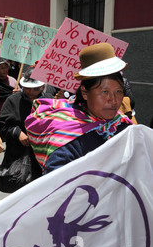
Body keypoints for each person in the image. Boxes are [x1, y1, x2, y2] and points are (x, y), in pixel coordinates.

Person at [25, 42, 133, 174]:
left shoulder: (123, 126)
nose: (114, 100)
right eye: (104, 92)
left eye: (119, 91)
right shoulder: (67, 138)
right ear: (85, 93)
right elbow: (57, 186)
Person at [0, 68, 45, 192]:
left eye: (35, 89)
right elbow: (0, 126)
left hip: (42, 158)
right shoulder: (13, 100)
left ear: (42, 87)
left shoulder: (49, 101)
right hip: (17, 156)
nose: (31, 92)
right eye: (28, 88)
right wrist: (17, 133)